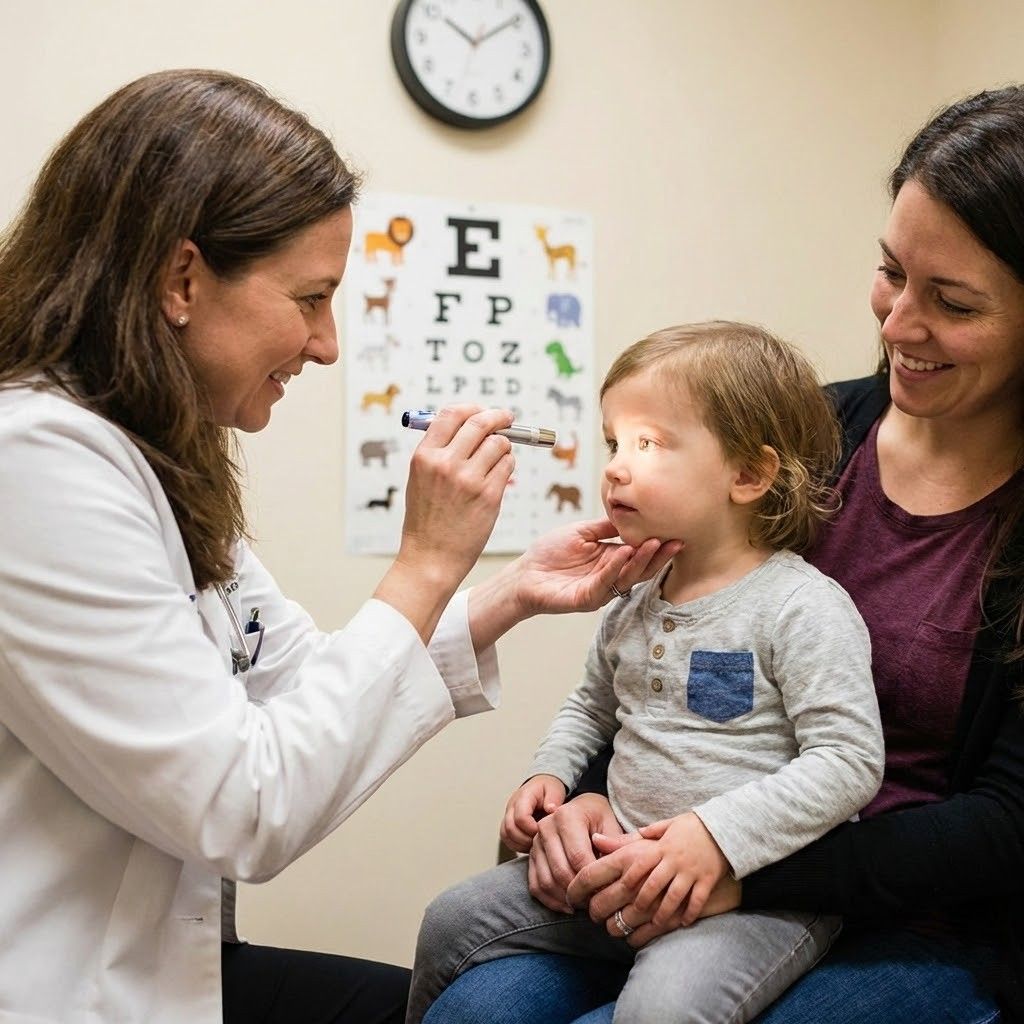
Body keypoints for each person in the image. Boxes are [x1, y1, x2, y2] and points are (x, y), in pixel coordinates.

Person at [0, 69, 681, 1024]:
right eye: (311, 298)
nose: (326, 346)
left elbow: (300, 686)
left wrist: (508, 594)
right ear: (181, 278)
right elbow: (246, 804)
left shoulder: (156, 457)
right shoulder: (34, 463)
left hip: (162, 958)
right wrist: (426, 561)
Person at [415, 84, 1024, 1024]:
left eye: (951, 301)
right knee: (479, 1006)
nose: (898, 324)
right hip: (668, 856)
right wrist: (580, 802)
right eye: (891, 272)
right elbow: (662, 666)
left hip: (919, 916)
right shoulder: (798, 438)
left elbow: (1007, 825)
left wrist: (731, 856)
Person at [408, 321, 885, 1024]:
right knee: (449, 920)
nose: (615, 467)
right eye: (613, 443)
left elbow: (849, 762)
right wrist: (552, 776)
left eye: (649, 445)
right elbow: (592, 707)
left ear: (748, 475)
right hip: (618, 864)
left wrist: (717, 836)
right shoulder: (634, 592)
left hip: (755, 897)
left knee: (659, 1011)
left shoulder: (801, 606)